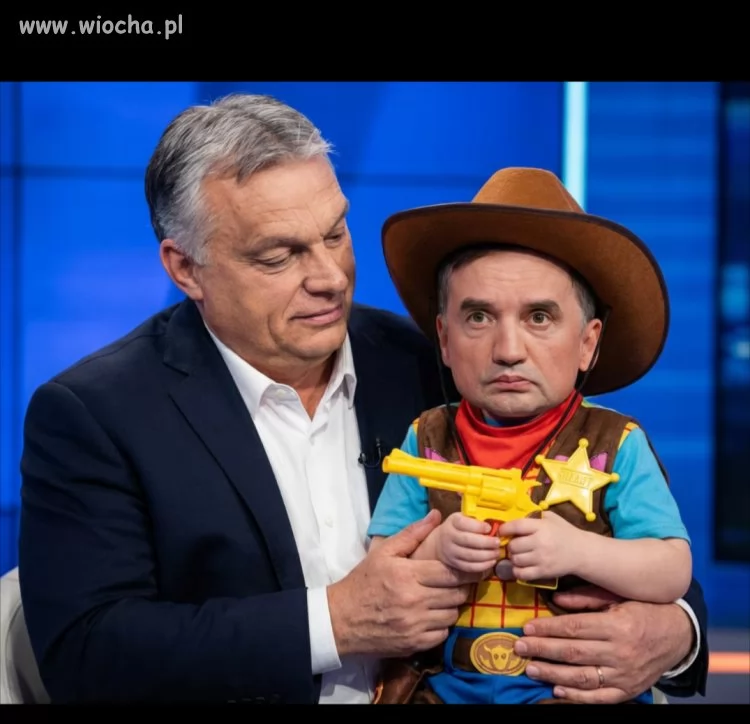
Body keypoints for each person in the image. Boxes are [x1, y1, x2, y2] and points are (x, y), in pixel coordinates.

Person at [16, 94, 707, 704]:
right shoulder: (96, 414)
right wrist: (336, 621)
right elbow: (86, 653)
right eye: (279, 256)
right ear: (185, 267)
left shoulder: (438, 363)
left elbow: (631, 538)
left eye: (335, 233)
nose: (330, 277)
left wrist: (675, 634)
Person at [368, 166, 701, 704]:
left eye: (540, 317)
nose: (508, 350)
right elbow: (379, 566)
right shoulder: (425, 437)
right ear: (444, 339)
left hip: (572, 687)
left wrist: (579, 551)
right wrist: (436, 549)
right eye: (479, 317)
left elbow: (672, 571)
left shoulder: (617, 443)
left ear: (588, 343)